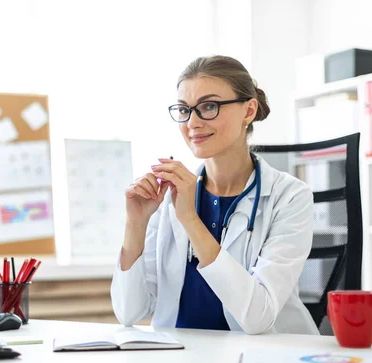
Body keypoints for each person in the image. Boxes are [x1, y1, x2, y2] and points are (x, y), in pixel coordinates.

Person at [110, 55, 318, 335]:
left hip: (262, 360)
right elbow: (128, 312)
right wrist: (135, 224)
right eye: (184, 110)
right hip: (181, 360)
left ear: (248, 111)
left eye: (209, 106)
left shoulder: (290, 197)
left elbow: (257, 318)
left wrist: (190, 220)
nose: (192, 123)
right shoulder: (169, 195)